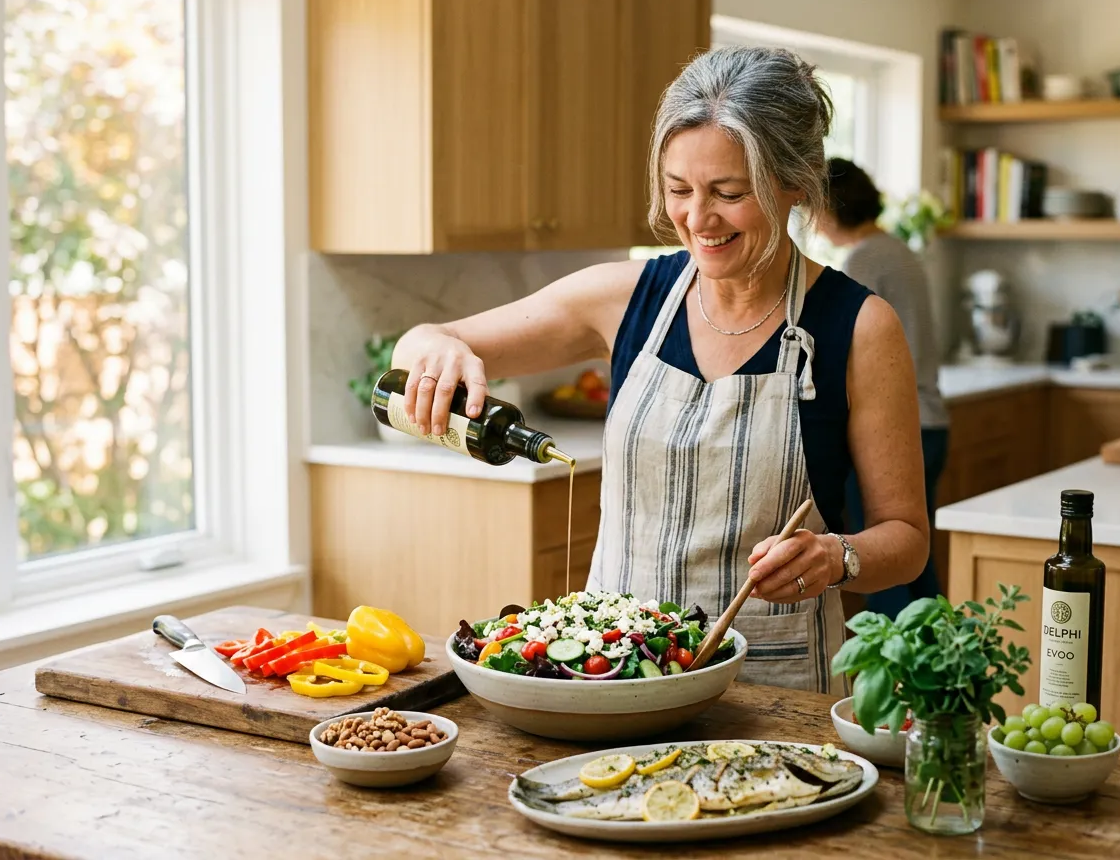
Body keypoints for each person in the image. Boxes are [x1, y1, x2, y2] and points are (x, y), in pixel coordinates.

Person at [392, 47, 929, 694]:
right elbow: (426, 341)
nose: (697, 220)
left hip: (772, 693)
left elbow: (907, 538)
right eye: (679, 190)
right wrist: (434, 347)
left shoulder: (860, 327)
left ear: (795, 182)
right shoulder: (623, 300)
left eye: (729, 194)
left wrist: (839, 557)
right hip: (611, 679)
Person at [818, 158, 950, 620]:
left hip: (894, 427)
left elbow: (846, 346)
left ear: (831, 209)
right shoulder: (898, 249)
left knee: (885, 566)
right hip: (931, 420)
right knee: (916, 558)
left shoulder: (863, 259)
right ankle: (937, 673)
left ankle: (896, 680)